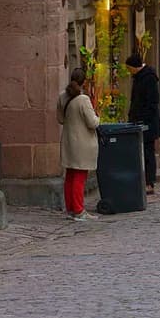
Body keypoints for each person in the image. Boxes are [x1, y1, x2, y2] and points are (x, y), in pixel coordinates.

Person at [58, 71, 100, 221]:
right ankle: (79, 210)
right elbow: (92, 122)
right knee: (80, 176)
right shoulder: (83, 99)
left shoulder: (63, 96)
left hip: (69, 140)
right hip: (82, 142)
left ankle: (71, 208)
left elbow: (60, 119)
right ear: (84, 82)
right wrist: (98, 117)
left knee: (70, 175)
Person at [125, 53, 160, 195]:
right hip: (139, 121)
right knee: (141, 153)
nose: (129, 72)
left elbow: (152, 102)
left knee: (148, 153)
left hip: (148, 123)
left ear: (135, 67)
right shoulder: (138, 78)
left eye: (129, 68)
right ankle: (142, 180)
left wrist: (144, 120)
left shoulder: (149, 78)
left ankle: (149, 182)